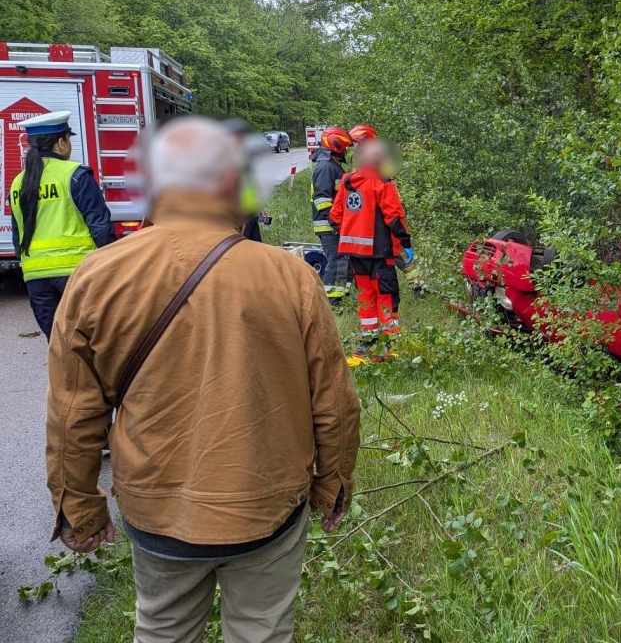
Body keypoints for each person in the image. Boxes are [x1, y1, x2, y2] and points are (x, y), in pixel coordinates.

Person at [45, 117, 361, 643]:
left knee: (163, 629)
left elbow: (73, 411)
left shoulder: (96, 275)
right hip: (267, 506)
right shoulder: (292, 278)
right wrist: (332, 485)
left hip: (155, 510)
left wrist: (79, 505)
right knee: (262, 632)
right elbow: (334, 402)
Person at [8, 111, 115, 338]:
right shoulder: (75, 175)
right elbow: (100, 226)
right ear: (61, 142)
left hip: (35, 277)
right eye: (68, 139)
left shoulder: (18, 182)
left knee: (58, 345)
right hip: (77, 273)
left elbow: (18, 236)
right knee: (91, 342)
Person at [329, 138, 413, 363]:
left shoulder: (348, 181)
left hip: (355, 255)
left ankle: (366, 343)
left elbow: (335, 216)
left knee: (366, 295)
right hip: (380, 253)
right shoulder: (381, 183)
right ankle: (390, 345)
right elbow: (394, 217)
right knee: (386, 296)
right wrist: (406, 243)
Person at [311, 127, 353, 301]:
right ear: (336, 147)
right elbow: (322, 199)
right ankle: (330, 300)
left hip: (335, 223)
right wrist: (334, 222)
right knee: (335, 262)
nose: (345, 152)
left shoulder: (332, 166)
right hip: (328, 224)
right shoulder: (326, 168)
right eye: (344, 148)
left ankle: (341, 295)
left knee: (343, 260)